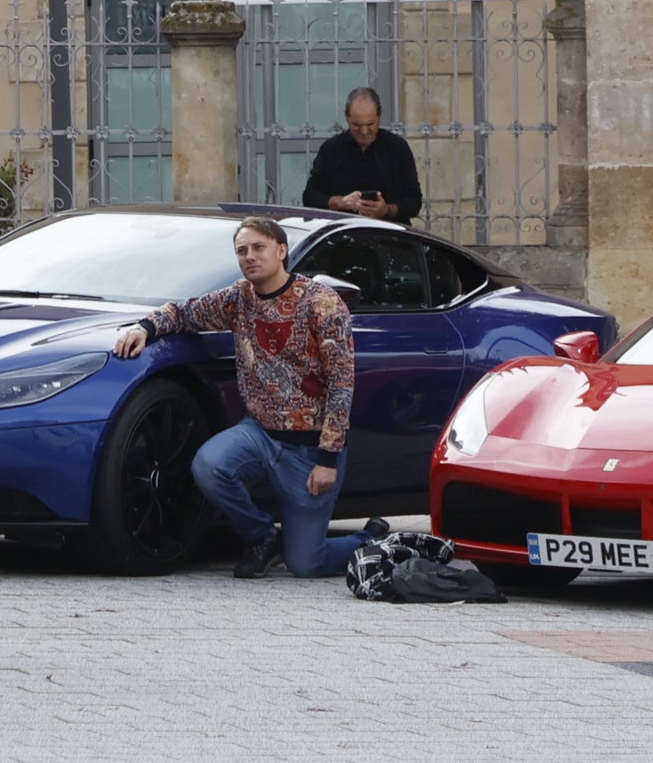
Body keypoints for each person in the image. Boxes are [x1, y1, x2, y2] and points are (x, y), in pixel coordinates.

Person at [108, 217, 374, 579]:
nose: (249, 257)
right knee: (208, 464)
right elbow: (185, 312)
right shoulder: (239, 298)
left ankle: (367, 542)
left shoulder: (321, 303)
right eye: (242, 251)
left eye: (258, 248)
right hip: (259, 435)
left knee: (306, 564)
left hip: (309, 451)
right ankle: (263, 536)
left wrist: (328, 458)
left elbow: (342, 383)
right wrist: (145, 327)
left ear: (281, 252)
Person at [300, 86, 420, 223]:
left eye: (370, 124)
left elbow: (414, 200)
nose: (364, 131)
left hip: (390, 235)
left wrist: (387, 210)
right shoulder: (331, 149)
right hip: (343, 234)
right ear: (347, 117)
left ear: (380, 116)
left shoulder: (398, 148)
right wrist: (340, 202)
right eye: (356, 125)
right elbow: (309, 197)